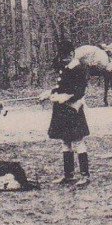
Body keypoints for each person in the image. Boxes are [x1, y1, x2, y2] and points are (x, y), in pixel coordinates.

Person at [45, 39, 91, 186]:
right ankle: (68, 175)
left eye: (65, 56)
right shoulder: (66, 67)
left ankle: (85, 175)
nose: (63, 59)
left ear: (72, 54)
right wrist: (49, 93)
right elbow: (61, 87)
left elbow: (79, 91)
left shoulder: (79, 68)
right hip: (61, 110)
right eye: (62, 57)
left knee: (78, 141)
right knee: (65, 141)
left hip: (73, 109)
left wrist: (66, 97)